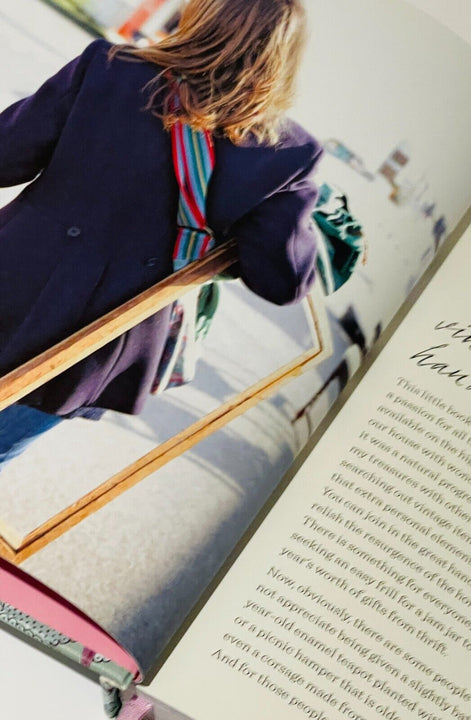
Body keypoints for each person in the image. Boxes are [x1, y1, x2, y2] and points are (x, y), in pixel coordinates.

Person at [0, 0, 322, 466]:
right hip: (94, 339)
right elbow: (281, 281)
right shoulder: (286, 151)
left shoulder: (110, 68)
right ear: (285, 54)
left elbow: (7, 156)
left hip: (13, 274)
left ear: (201, 15)